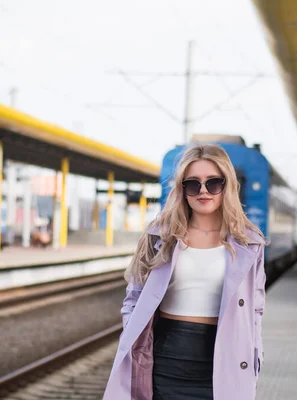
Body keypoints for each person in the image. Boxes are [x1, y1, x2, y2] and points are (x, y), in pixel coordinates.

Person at [103, 143, 266, 400]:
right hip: (166, 358)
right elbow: (133, 296)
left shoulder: (249, 242)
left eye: (214, 183)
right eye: (193, 184)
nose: (203, 191)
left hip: (224, 358)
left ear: (228, 186)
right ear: (182, 189)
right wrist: (132, 336)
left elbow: (256, 308)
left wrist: (254, 353)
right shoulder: (160, 235)